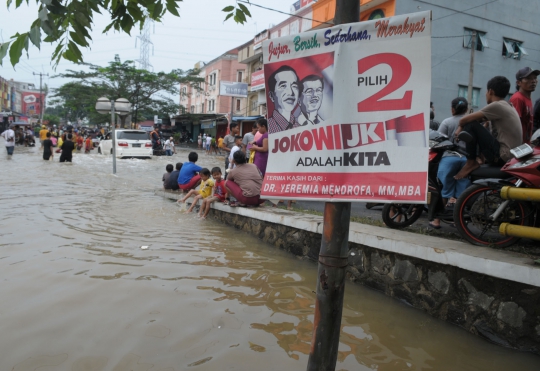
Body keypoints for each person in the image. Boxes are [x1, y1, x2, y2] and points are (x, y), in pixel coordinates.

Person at [454, 76, 522, 179]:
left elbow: (464, 120)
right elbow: (479, 120)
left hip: (502, 156)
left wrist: (460, 127)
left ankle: (471, 162)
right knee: (473, 124)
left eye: (486, 92)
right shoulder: (508, 105)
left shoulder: (497, 106)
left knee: (470, 124)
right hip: (511, 155)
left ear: (490, 91)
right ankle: (478, 158)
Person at [429, 97, 471, 229]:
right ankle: (456, 220)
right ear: (466, 109)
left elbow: (438, 139)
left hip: (448, 158)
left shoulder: (447, 122)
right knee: (461, 192)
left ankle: (436, 221)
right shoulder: (471, 123)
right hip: (465, 160)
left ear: (452, 109)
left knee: (442, 189)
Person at [510, 66, 539, 144]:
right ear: (519, 82)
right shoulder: (518, 98)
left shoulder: (527, 98)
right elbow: (514, 125)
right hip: (518, 146)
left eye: (535, 78)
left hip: (526, 144)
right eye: (528, 78)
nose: (533, 81)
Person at [268, 65, 300, 133]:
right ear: (271, 96)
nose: (291, 92)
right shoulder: (268, 129)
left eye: (294, 86)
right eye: (283, 86)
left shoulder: (300, 127)